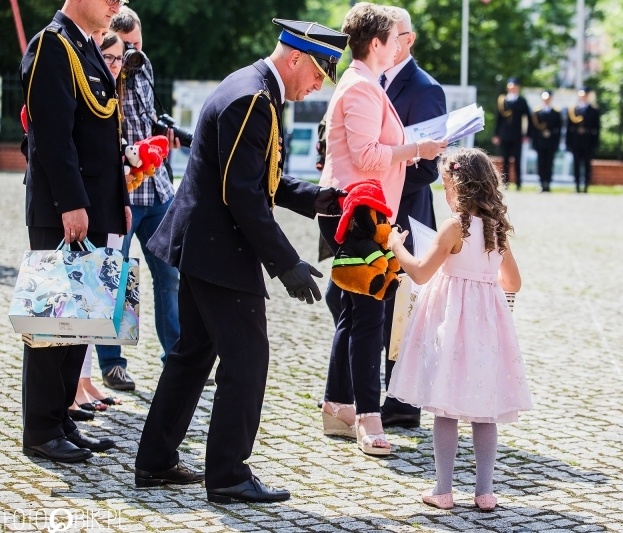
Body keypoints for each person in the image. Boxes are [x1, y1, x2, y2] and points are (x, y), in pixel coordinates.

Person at [134, 18, 349, 504]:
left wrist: (317, 198)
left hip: (206, 244)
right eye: (318, 72)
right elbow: (243, 196)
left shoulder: (254, 88)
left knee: (191, 358)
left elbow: (260, 178)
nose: (318, 84)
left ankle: (155, 460)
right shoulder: (254, 98)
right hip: (219, 250)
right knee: (246, 363)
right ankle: (229, 476)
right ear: (296, 58)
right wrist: (286, 262)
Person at [317, 3, 445, 456]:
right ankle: (369, 418)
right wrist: (417, 148)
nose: (400, 48)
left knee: (355, 314)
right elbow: (369, 155)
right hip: (362, 216)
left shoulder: (362, 83)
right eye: (395, 40)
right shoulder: (361, 88)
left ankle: (338, 405)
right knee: (368, 318)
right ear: (376, 44)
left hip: (365, 212)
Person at [386, 147, 532, 511]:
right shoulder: (496, 229)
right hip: (487, 325)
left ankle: (443, 489)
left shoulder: (455, 226)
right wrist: (484, 282)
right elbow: (512, 280)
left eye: (446, 184)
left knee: (446, 407)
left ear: (458, 186)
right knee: (485, 411)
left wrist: (395, 246)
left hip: (450, 322)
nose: (444, 191)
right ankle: (485, 492)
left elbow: (420, 271)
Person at [19, 0, 129, 462]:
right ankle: (41, 430)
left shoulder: (85, 48)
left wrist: (118, 200)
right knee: (52, 326)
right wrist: (72, 204)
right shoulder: (52, 45)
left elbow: (107, 134)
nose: (115, 6)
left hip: (92, 209)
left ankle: (62, 417)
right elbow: (52, 136)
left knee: (79, 321)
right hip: (64, 211)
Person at [94, 6, 181, 393]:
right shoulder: (101, 69)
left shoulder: (141, 67)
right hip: (122, 194)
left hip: (158, 188)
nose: (134, 54)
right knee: (114, 279)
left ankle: (177, 356)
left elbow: (147, 118)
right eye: (126, 47)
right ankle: (112, 364)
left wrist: (164, 135)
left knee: (169, 277)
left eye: (138, 46)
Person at [379, 5, 447, 430]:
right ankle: (367, 392)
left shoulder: (424, 88)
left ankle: (402, 404)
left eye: (392, 34)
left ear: (408, 39)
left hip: (405, 208)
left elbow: (427, 166)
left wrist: (381, 162)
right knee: (363, 300)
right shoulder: (371, 80)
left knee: (400, 310)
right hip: (373, 207)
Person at [71, 30, 127, 416]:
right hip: (84, 203)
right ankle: (73, 385)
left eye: (121, 58)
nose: (115, 65)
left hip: (108, 201)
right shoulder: (80, 72)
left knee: (98, 298)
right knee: (80, 299)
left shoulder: (112, 86)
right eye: (109, 57)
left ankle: (84, 379)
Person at [492, 78, 530, 190]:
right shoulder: (503, 100)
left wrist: (526, 134)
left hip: (517, 134)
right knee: (505, 158)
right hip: (505, 134)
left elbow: (527, 118)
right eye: (511, 86)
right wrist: (496, 134)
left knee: (518, 157)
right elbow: (498, 119)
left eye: (515, 86)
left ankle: (518, 182)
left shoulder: (522, 101)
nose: (513, 88)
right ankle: (505, 182)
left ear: (518, 88)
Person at [566, 88, 600, 193]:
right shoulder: (574, 110)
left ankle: (585, 186)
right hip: (576, 141)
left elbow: (597, 127)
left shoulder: (593, 110)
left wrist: (595, 142)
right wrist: (569, 142)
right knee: (576, 164)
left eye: (585, 95)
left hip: (587, 141)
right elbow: (569, 128)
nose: (583, 97)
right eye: (581, 95)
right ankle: (576, 186)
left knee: (586, 164)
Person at [530, 91, 562, 192]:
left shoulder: (556, 112)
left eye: (548, 98)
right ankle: (541, 182)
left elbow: (559, 129)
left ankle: (548, 183)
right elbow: (533, 130)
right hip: (540, 142)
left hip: (551, 142)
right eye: (545, 99)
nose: (546, 100)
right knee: (541, 163)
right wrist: (534, 143)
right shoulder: (537, 112)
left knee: (549, 163)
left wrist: (556, 142)